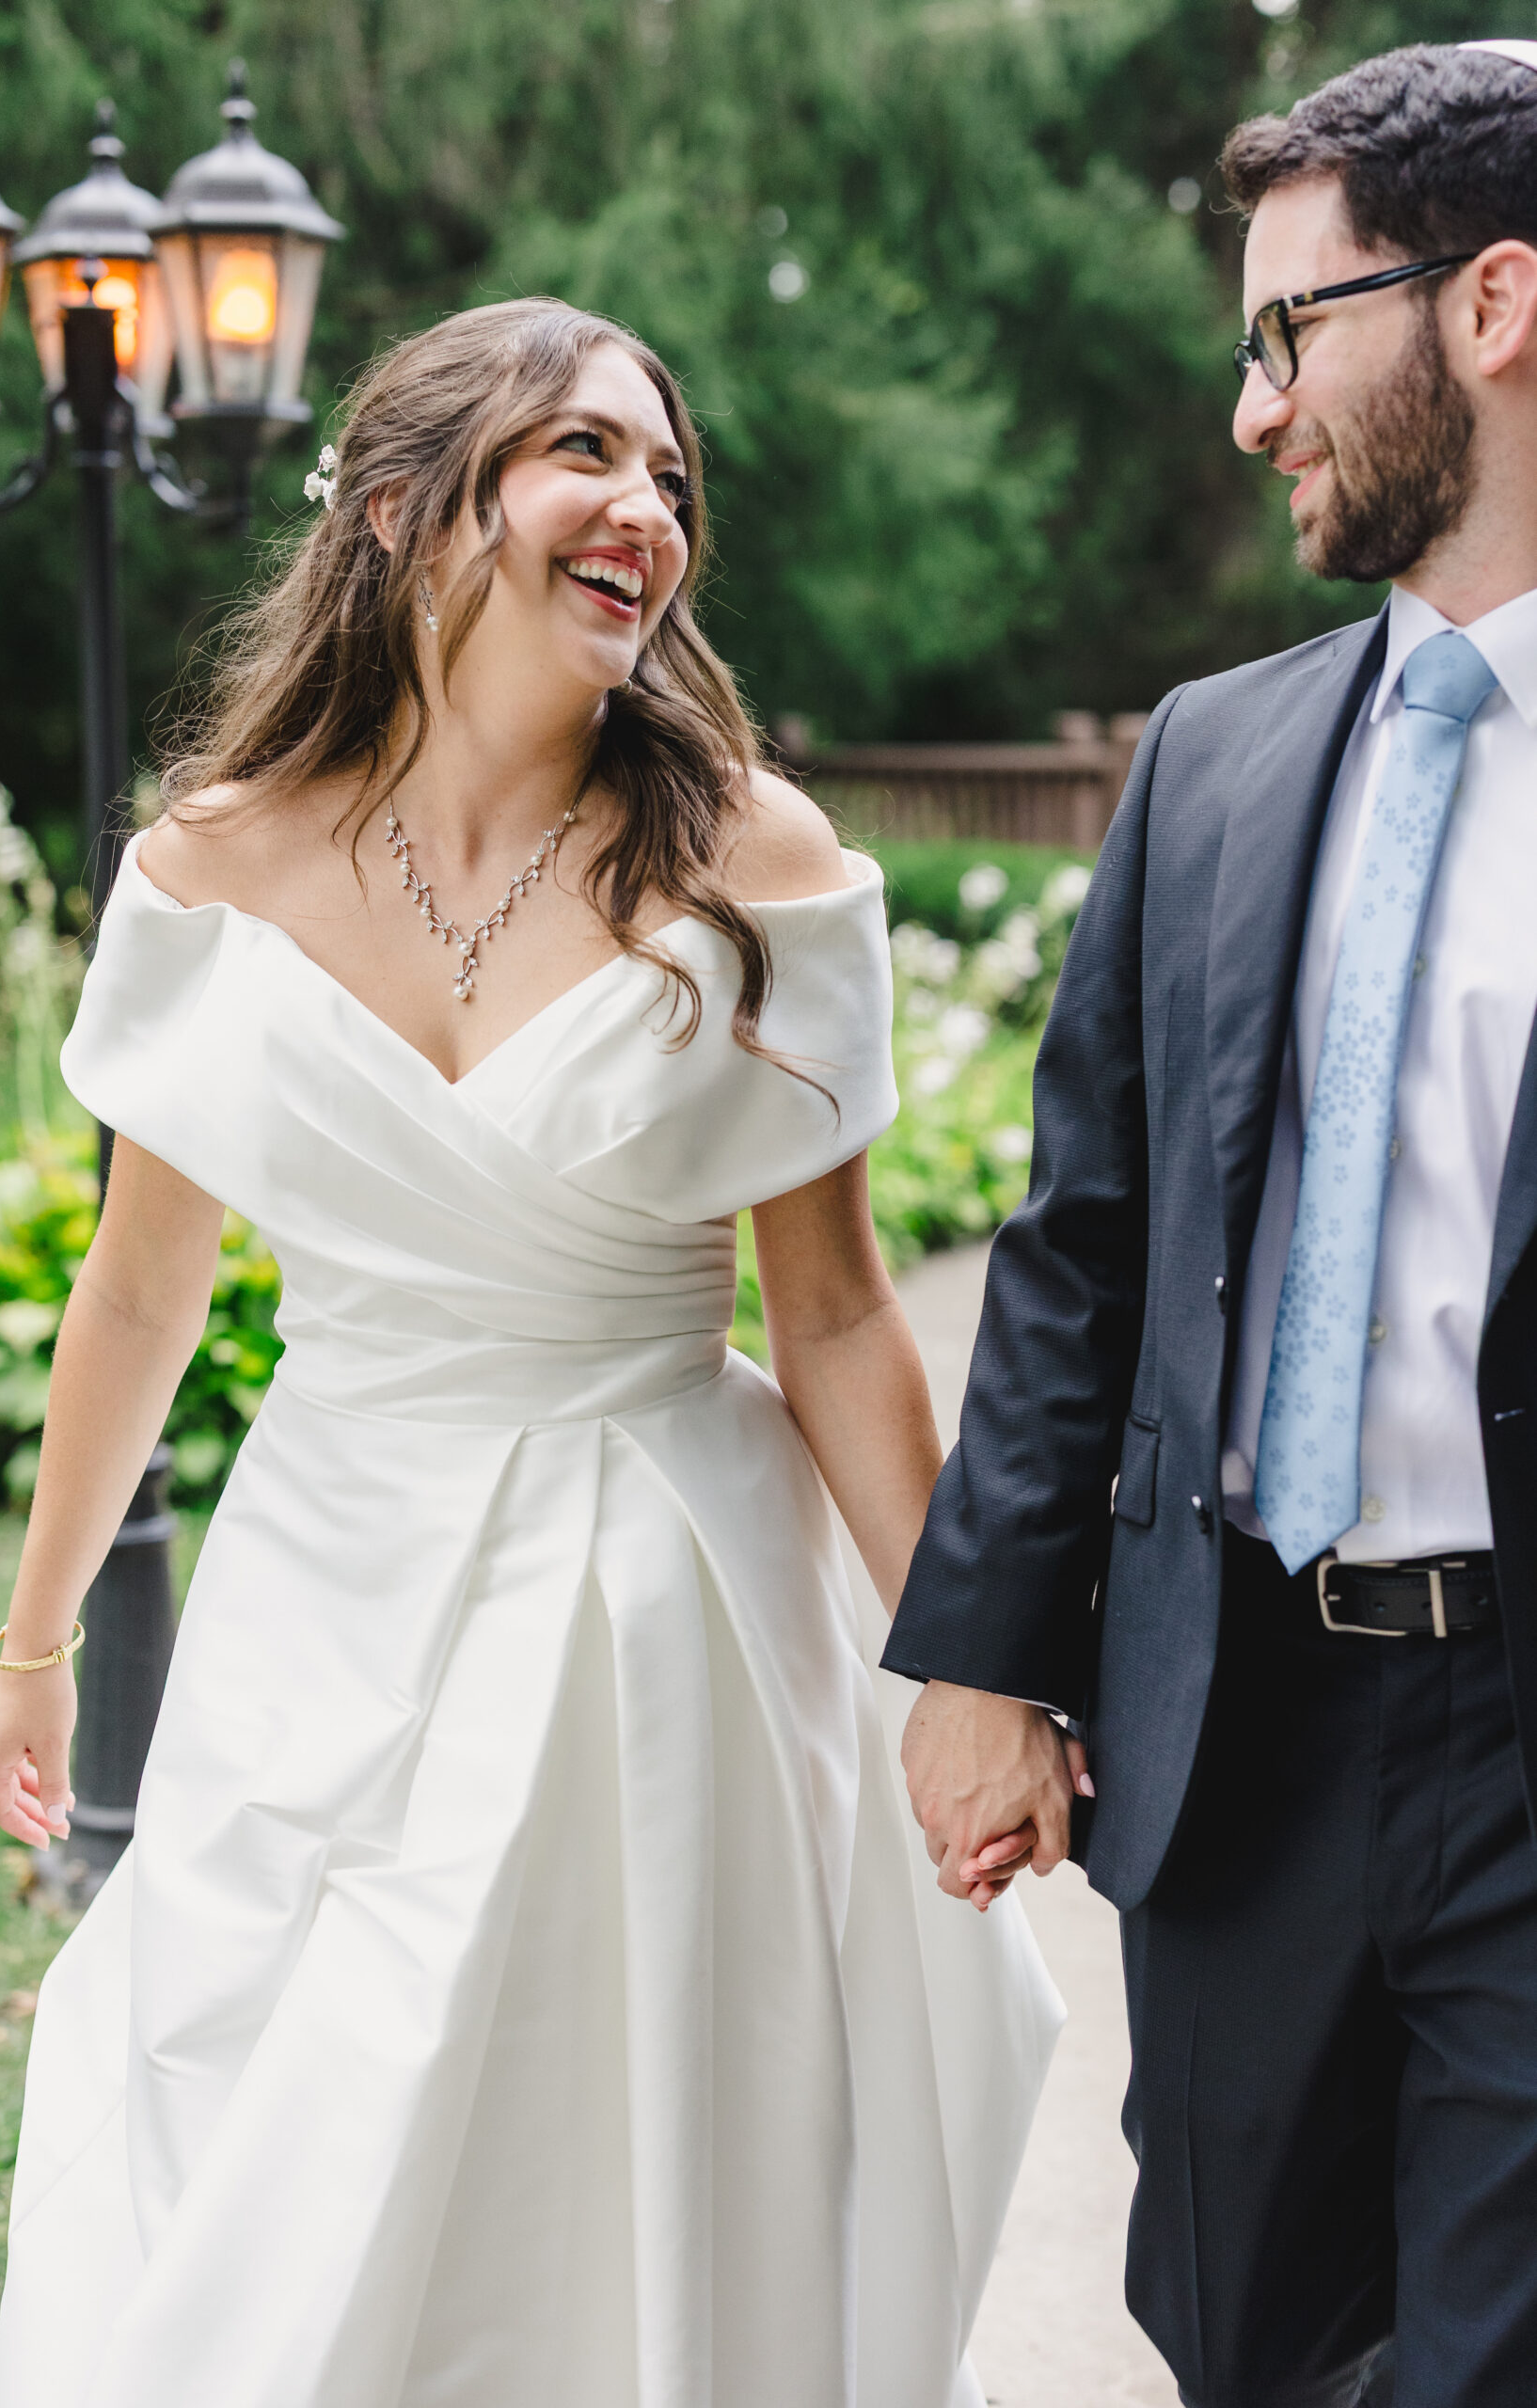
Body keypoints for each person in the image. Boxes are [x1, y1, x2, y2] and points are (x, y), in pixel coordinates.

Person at [0, 298, 1061, 2408]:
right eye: (582, 451)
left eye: (667, 477)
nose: (642, 508)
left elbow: (828, 1308)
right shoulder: (214, 864)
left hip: (652, 1596)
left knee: (615, 2158)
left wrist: (970, 1657)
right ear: (403, 510)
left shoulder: (751, 858)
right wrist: (30, 1643)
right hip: (327, 1574)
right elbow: (136, 1286)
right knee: (281, 2126)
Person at [886, 40, 1537, 2408]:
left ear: (1489, 304)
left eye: (1287, 333)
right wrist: (983, 1651)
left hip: (1522, 1717)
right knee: (1244, 2335)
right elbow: (1084, 1247)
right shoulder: (1210, 756)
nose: (1250, 410)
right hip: (1238, 1716)